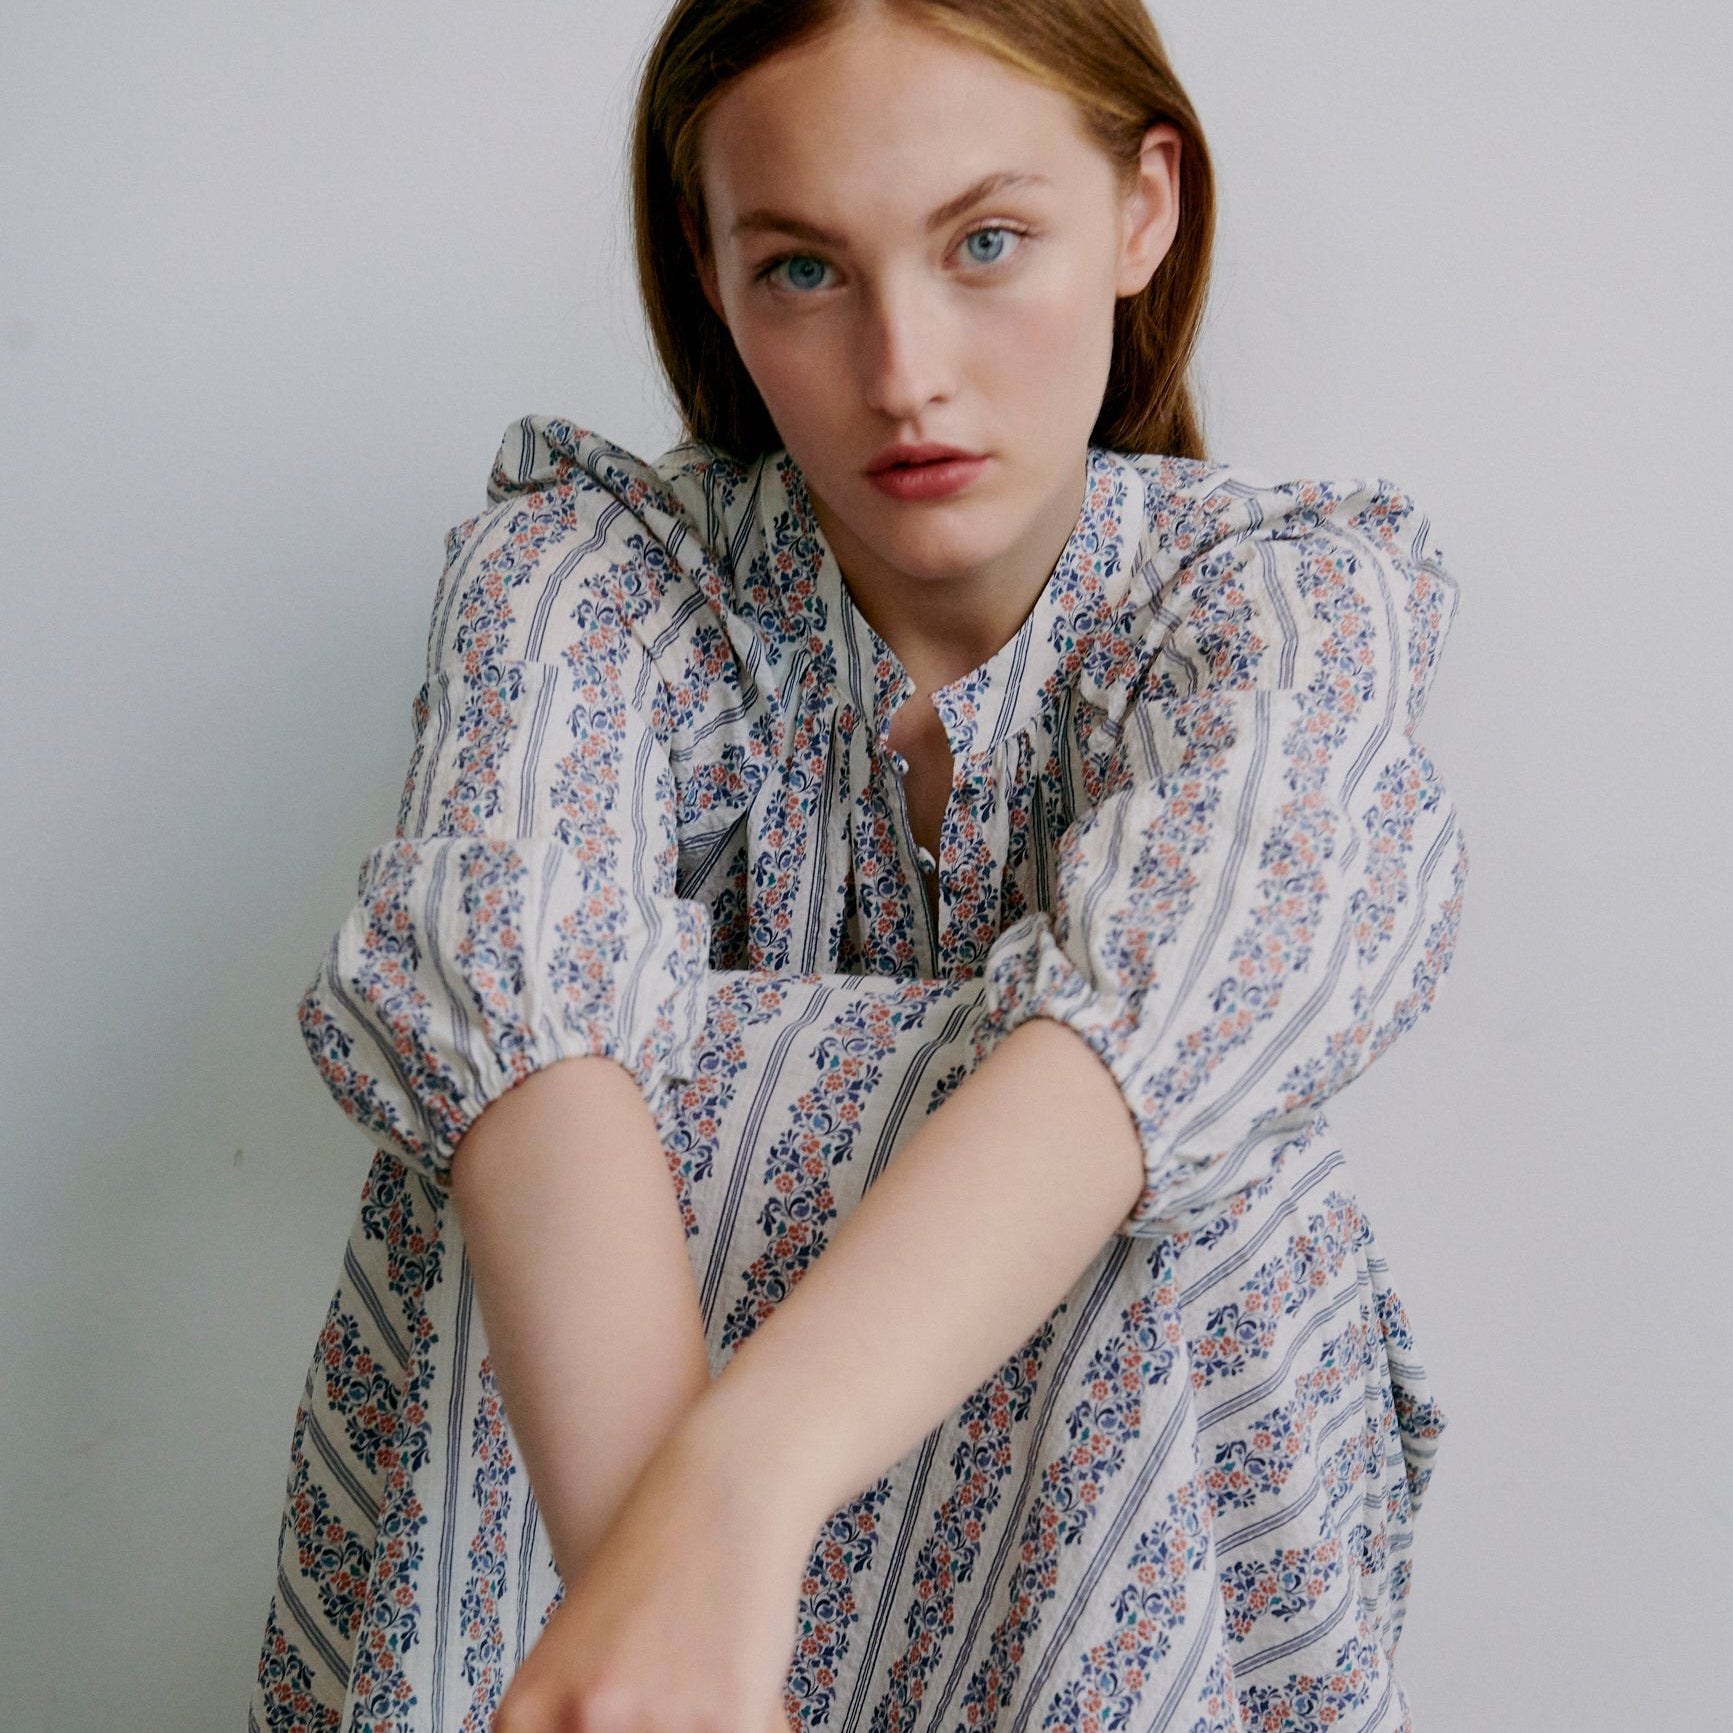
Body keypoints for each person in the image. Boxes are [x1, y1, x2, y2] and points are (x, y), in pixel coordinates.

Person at [250, 1, 1470, 1728]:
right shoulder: (589, 572)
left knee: (1140, 1129)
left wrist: (735, 1500)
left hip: (1120, 1550)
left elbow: (1174, 1001)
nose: (905, 370)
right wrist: (670, 1610)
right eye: (804, 271)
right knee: (522, 1093)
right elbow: (516, 978)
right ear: (708, 259)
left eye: (985, 241)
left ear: (1142, 208)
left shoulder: (1283, 603)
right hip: (589, 1557)